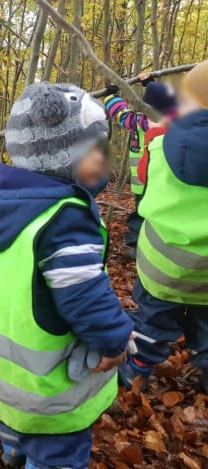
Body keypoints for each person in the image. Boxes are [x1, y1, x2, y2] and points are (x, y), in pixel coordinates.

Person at [0, 83, 134, 469]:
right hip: (48, 381)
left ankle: (15, 453)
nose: (107, 157)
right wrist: (113, 338)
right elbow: (84, 295)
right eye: (99, 148)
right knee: (58, 451)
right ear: (64, 155)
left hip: (0, 372)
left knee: (17, 422)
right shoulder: (64, 218)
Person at [118, 60, 208, 395]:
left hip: (163, 266)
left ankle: (134, 376)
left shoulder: (159, 143)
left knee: (152, 324)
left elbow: (145, 187)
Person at [103, 73, 178, 257]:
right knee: (158, 215)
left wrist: (111, 96)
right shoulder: (175, 123)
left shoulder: (143, 122)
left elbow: (121, 113)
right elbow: (167, 101)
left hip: (142, 183)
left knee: (141, 215)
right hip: (164, 183)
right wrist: (150, 84)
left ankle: (137, 247)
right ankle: (161, 246)